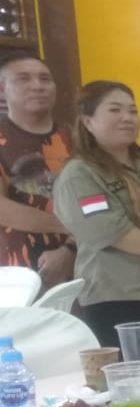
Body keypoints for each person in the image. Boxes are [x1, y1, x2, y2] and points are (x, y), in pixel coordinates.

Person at [51, 81, 140, 353]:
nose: (127, 118)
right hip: (116, 297)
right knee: (129, 376)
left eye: (133, 110)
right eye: (115, 110)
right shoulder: (80, 174)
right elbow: (112, 230)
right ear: (88, 122)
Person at [0, 52, 74, 288]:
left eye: (45, 79)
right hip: (17, 276)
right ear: (2, 89)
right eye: (23, 79)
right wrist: (73, 228)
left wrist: (71, 247)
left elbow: (107, 202)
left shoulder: (80, 139)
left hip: (90, 267)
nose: (37, 86)